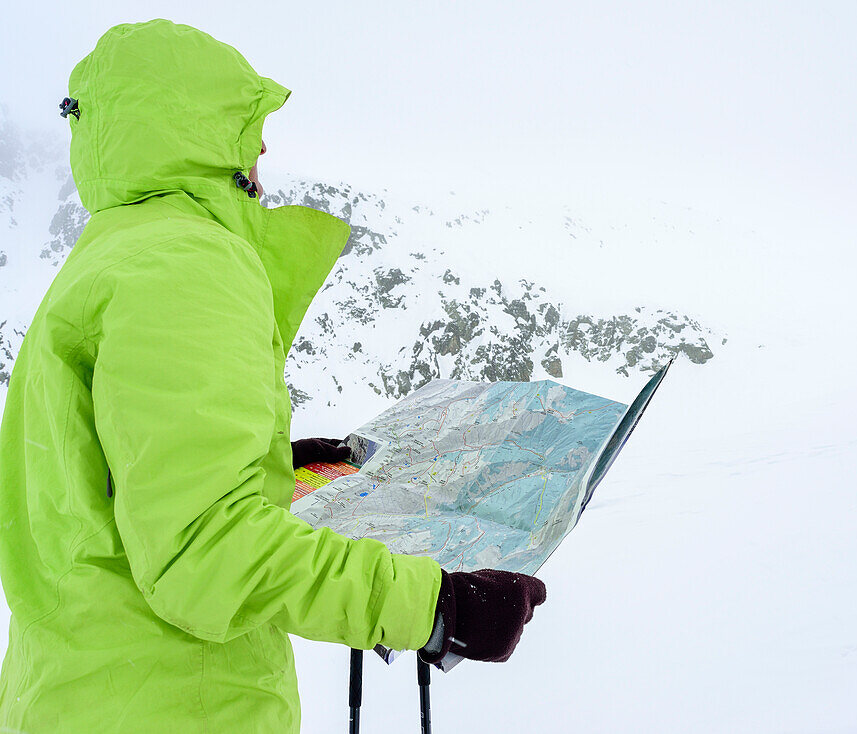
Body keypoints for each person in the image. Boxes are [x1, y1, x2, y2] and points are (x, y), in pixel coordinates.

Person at [0, 18, 545, 732]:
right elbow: (206, 553)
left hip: (82, 690)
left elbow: (102, 484)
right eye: (245, 118)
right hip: (178, 706)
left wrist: (264, 465)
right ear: (189, 126)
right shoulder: (184, 266)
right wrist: (438, 607)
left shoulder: (110, 257)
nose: (262, 144)